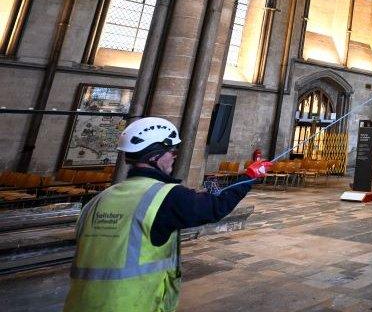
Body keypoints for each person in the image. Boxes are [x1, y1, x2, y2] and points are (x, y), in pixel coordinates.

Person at [63, 117, 272, 312]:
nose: (174, 155)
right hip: (129, 304)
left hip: (79, 303)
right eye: (171, 151)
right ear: (154, 156)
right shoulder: (165, 196)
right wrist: (250, 176)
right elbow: (215, 206)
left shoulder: (97, 200)